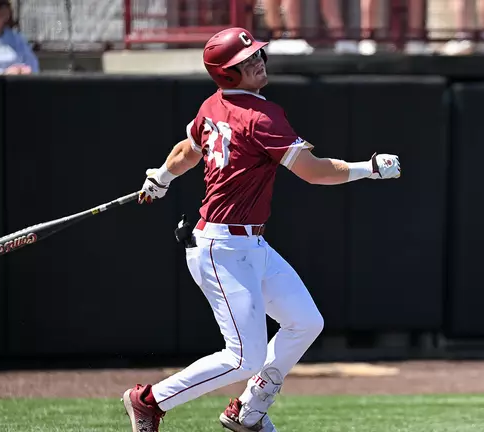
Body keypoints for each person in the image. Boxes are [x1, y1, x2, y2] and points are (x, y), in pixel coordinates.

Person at [120, 27, 401, 432]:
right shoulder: (261, 117)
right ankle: (149, 400)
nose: (258, 62)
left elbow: (186, 151)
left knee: (305, 322)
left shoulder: (214, 105)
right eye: (246, 60)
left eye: (257, 55)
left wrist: (161, 178)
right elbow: (314, 172)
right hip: (222, 248)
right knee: (243, 358)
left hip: (250, 244)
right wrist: (368, 169)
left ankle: (248, 411)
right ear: (226, 72)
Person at [0, 0, 38, 75]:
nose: (3, 10)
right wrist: (4, 74)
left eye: (6, 5)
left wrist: (25, 70)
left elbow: (33, 65)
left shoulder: (17, 38)